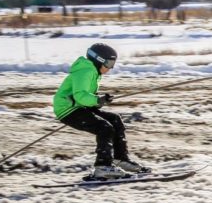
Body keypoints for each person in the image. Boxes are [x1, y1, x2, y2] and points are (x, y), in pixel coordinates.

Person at [53, 42, 150, 180]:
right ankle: (102, 167)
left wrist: (99, 100)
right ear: (99, 60)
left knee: (115, 119)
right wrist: (97, 100)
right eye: (109, 63)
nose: (111, 67)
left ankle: (121, 159)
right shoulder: (85, 71)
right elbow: (80, 95)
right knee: (104, 128)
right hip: (68, 109)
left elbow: (85, 97)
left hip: (79, 106)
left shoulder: (92, 71)